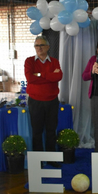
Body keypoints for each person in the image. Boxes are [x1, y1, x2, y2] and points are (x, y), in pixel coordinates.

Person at [24, 36, 63, 168]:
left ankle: (51, 159)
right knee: (37, 132)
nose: (39, 48)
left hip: (52, 101)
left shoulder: (54, 61)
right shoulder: (29, 61)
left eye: (41, 45)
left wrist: (40, 74)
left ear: (48, 47)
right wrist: (48, 75)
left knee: (51, 131)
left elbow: (59, 76)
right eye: (36, 45)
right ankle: (39, 160)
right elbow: (30, 78)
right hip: (35, 101)